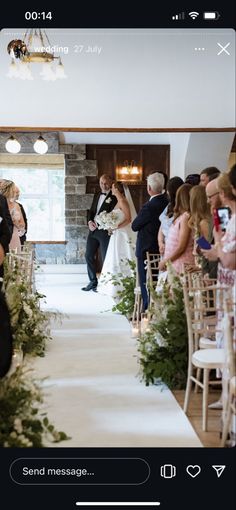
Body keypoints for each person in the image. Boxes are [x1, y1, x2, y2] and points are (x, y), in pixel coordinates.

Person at [132, 172, 168, 311]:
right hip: (162, 248)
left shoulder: (149, 206)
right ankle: (156, 309)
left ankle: (147, 310)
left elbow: (135, 226)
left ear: (149, 188)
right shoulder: (167, 203)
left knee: (147, 282)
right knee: (158, 281)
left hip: (146, 248)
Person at [98, 182, 136, 299]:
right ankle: (113, 284)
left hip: (123, 234)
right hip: (117, 234)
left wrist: (116, 227)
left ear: (117, 190)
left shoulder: (123, 201)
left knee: (123, 255)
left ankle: (125, 283)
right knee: (115, 256)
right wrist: (110, 224)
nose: (112, 189)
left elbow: (129, 219)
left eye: (113, 188)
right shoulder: (119, 201)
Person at [82, 174, 117, 292]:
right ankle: (92, 281)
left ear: (111, 182)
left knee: (105, 257)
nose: (103, 185)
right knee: (88, 255)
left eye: (106, 183)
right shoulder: (97, 194)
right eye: (101, 183)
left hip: (105, 231)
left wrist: (101, 224)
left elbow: (113, 215)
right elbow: (92, 211)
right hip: (93, 230)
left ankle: (104, 283)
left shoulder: (115, 197)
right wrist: (89, 222)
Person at [158, 183, 195, 273]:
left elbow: (182, 246)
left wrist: (166, 261)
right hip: (174, 265)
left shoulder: (186, 217)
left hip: (181, 265)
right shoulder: (180, 217)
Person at [188, 185, 213, 274]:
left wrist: (200, 267)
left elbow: (208, 249)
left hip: (203, 268)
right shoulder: (199, 222)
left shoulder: (204, 223)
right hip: (198, 264)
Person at [158, 176, 184, 257]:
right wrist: (161, 243)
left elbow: (182, 244)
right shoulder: (169, 206)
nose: (166, 192)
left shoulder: (185, 213)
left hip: (176, 251)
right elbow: (161, 228)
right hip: (166, 248)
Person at [1, 180, 25, 253]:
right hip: (2, 236)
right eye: (14, 191)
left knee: (14, 260)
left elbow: (23, 225)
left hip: (14, 236)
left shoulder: (16, 205)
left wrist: (16, 223)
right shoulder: (1, 205)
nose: (15, 193)